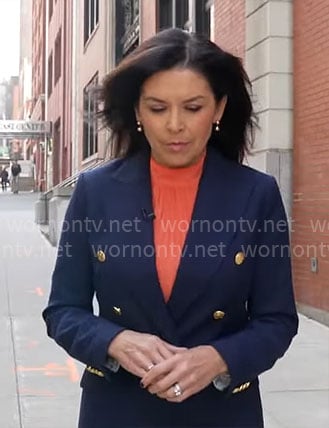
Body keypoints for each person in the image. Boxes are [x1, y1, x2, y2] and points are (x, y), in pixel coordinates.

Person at [43, 28, 298, 428]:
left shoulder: (256, 194)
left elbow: (278, 319)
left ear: (218, 109)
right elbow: (62, 311)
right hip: (118, 409)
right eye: (158, 108)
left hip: (221, 411)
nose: (175, 125)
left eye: (193, 107)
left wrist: (219, 360)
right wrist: (113, 341)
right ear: (137, 113)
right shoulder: (96, 191)